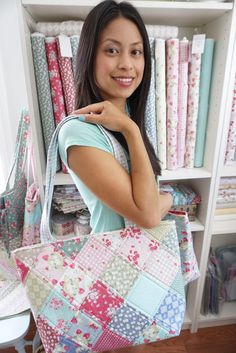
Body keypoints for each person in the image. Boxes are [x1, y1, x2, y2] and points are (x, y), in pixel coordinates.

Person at [58, 0, 172, 235]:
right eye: (112, 50)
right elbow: (148, 214)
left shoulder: (129, 117)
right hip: (114, 266)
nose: (126, 64)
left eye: (136, 52)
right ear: (89, 55)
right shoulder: (78, 132)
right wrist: (167, 200)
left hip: (146, 261)